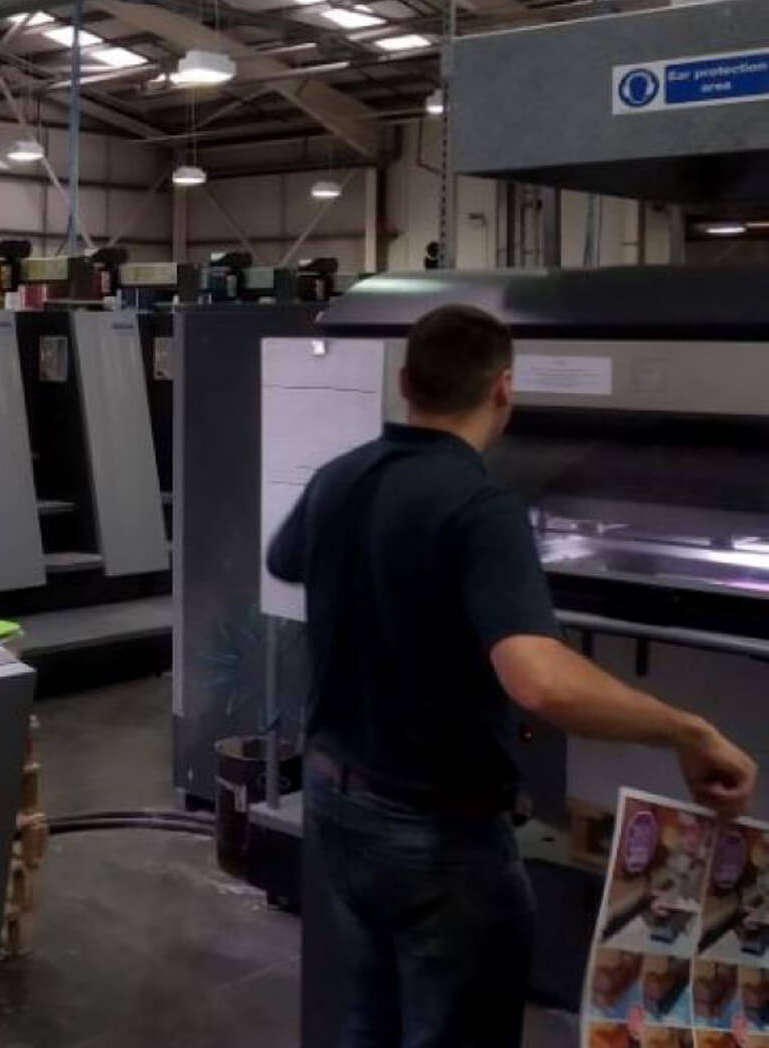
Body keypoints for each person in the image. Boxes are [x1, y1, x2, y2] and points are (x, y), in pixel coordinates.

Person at [266, 304, 757, 1048]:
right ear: (503, 389)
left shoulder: (340, 477)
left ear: (404, 382)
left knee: (370, 1019)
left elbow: (285, 561)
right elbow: (539, 682)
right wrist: (686, 731)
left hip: (340, 807)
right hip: (437, 836)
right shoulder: (480, 507)